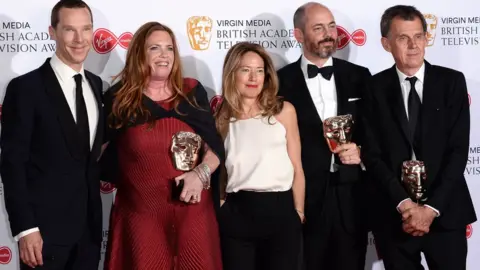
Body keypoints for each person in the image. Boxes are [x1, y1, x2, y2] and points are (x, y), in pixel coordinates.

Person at [100, 21, 225, 270]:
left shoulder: (192, 92)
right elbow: (96, 154)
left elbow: (215, 150)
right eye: (155, 48)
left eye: (169, 48)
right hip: (141, 218)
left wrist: (199, 175)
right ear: (139, 54)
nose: (164, 55)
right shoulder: (119, 99)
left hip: (194, 215)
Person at [362, 5, 477, 270]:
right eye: (403, 38)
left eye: (418, 36)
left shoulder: (452, 82)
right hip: (395, 214)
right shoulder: (373, 88)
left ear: (426, 39)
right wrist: (405, 205)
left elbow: (458, 150)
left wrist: (430, 208)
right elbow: (373, 153)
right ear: (385, 43)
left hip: (445, 212)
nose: (413, 45)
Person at [0, 1, 104, 269]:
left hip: (89, 235)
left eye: (86, 29)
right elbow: (13, 164)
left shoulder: (96, 84)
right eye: (69, 30)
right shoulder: (26, 88)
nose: (80, 39)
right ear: (52, 32)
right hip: (43, 237)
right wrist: (26, 229)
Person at [277, 2, 372, 270]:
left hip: (352, 196)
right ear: (298, 35)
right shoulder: (279, 83)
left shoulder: (359, 77)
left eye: (331, 26)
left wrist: (361, 151)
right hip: (305, 198)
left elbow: (377, 132)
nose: (329, 34)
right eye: (318, 28)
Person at [213, 41, 304, 270]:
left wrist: (298, 212)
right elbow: (219, 169)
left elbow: (297, 167)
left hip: (281, 213)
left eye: (260, 70)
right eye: (246, 70)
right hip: (237, 214)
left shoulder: (284, 111)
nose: (254, 77)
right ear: (232, 73)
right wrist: (223, 207)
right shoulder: (221, 118)